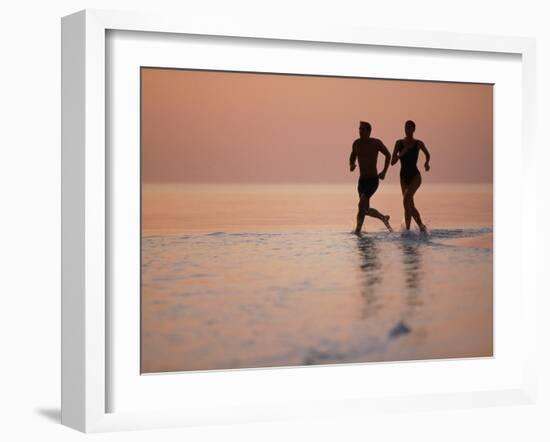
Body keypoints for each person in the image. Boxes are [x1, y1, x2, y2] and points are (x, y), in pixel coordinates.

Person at [349, 121, 393, 235]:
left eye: (362, 129)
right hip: (361, 181)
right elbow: (352, 155)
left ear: (369, 131)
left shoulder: (376, 143)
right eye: (359, 129)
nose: (360, 131)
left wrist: (384, 171)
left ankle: (358, 231)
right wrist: (351, 164)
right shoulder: (356, 143)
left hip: (373, 180)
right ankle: (382, 218)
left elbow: (388, 155)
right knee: (364, 209)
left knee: (361, 204)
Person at [391, 120, 431, 232]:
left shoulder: (418, 143)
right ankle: (422, 227)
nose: (407, 129)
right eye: (406, 127)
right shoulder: (399, 143)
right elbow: (392, 162)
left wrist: (426, 163)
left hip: (415, 176)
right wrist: (401, 154)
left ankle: (407, 231)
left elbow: (427, 154)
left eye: (409, 127)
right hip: (403, 177)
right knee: (409, 204)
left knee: (406, 200)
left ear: (413, 129)